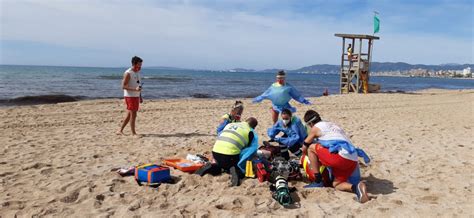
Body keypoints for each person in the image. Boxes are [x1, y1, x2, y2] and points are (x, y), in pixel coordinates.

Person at [301, 110, 371, 203]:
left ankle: (318, 181)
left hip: (340, 157)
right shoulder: (333, 125)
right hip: (353, 159)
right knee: (337, 184)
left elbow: (304, 147)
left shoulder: (315, 128)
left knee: (311, 148)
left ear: (310, 123)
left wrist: (310, 159)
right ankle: (356, 188)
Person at [196, 117, 259, 187]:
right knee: (236, 164)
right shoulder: (250, 131)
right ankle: (236, 170)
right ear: (253, 127)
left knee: (221, 167)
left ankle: (213, 166)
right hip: (230, 157)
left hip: (216, 153)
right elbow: (250, 149)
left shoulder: (230, 124)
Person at [117, 56, 143, 136]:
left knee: (130, 114)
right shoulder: (128, 73)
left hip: (136, 96)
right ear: (134, 64)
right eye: (139, 64)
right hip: (129, 96)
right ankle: (133, 133)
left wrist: (140, 96)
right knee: (133, 114)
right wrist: (135, 90)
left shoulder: (137, 72)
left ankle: (120, 130)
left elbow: (138, 85)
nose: (140, 66)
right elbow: (123, 86)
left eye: (141, 64)